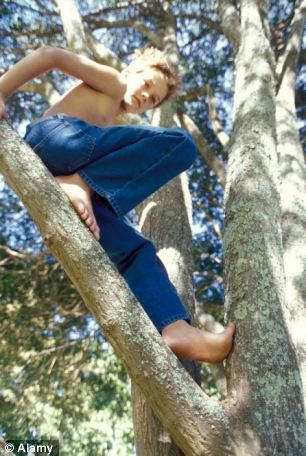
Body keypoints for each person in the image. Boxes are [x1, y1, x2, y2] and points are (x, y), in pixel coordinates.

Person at [0, 45, 235, 363]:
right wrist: (2, 90)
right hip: (54, 138)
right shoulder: (112, 81)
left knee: (136, 249)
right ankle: (79, 183)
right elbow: (50, 55)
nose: (145, 96)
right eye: (146, 83)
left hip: (66, 167)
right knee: (179, 144)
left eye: (152, 100)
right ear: (131, 70)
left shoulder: (109, 123)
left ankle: (175, 327)